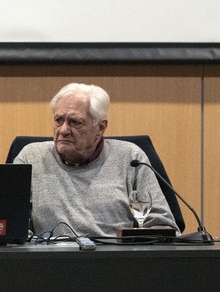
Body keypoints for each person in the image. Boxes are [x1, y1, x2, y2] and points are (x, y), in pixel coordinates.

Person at [13, 83, 178, 238]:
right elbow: (12, 227)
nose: (63, 130)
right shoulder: (31, 158)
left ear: (100, 128)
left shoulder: (130, 159)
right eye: (58, 120)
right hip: (49, 261)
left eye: (75, 122)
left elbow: (160, 224)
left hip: (115, 261)